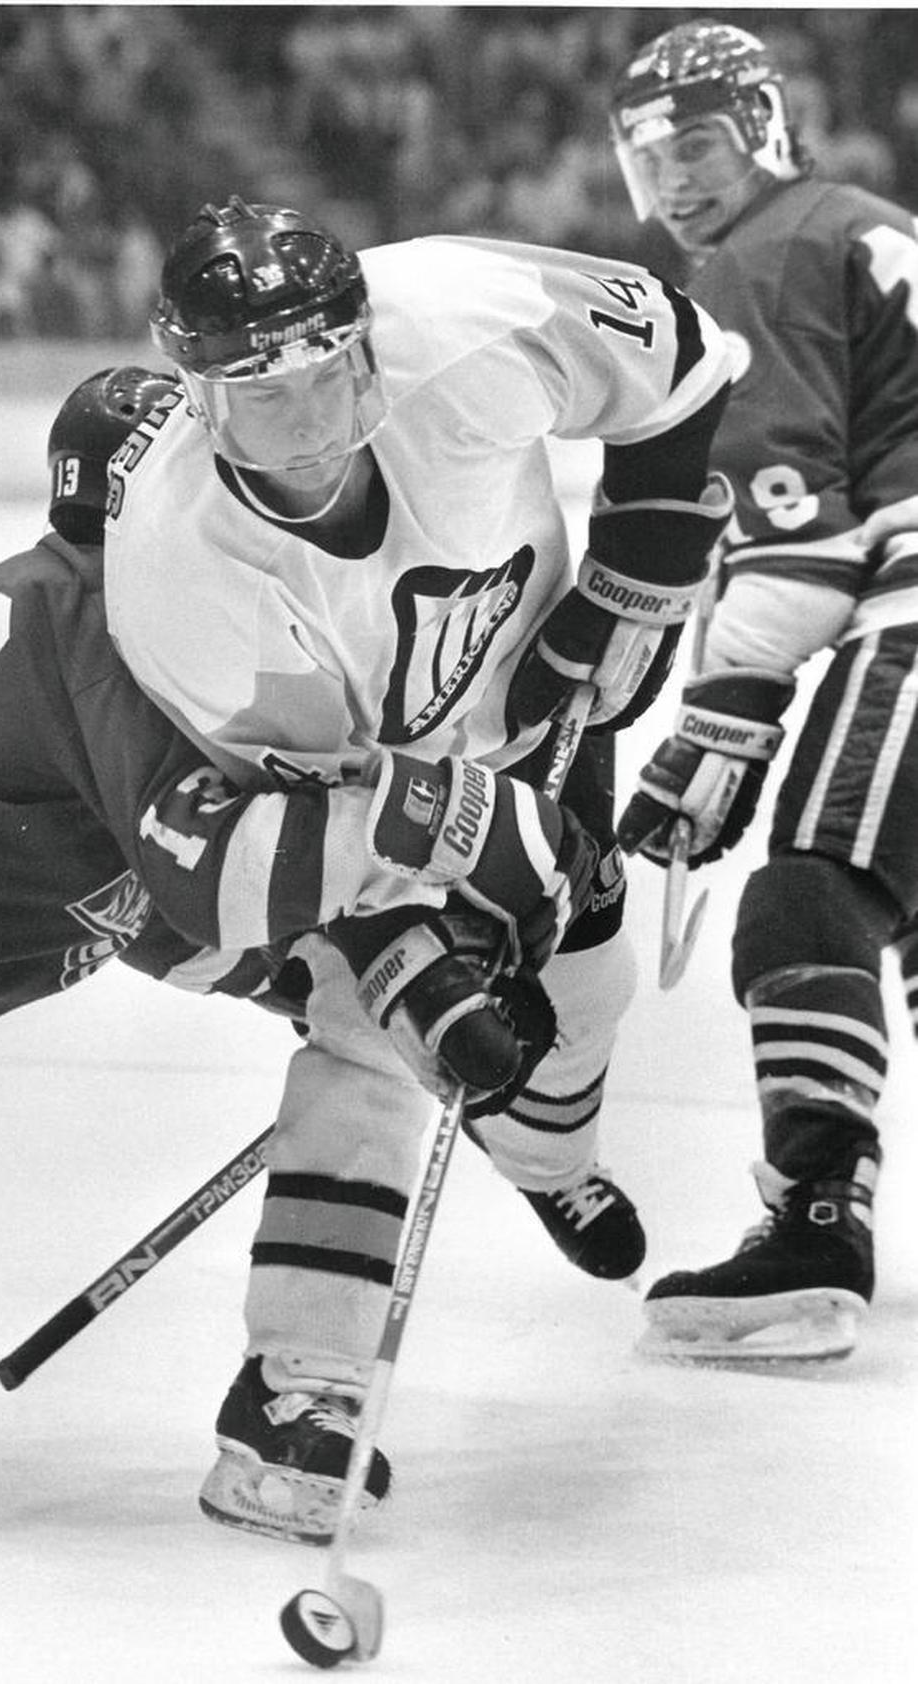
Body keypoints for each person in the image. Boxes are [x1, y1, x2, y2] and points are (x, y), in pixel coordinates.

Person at [0, 365, 587, 1469]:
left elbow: (168, 920)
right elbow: (218, 877)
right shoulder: (114, 629)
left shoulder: (98, 627)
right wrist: (461, 847)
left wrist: (381, 997)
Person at [102, 195, 734, 1535]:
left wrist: (635, 571)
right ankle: (296, 1393)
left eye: (333, 372)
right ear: (198, 395)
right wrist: (418, 968)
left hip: (541, 708)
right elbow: (322, 838)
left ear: (365, 335)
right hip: (371, 791)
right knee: (376, 1038)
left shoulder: (462, 315)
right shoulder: (180, 575)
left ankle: (549, 1159)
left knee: (593, 989)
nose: (319, 420)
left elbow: (676, 352)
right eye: (267, 398)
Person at [609, 19, 918, 1361]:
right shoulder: (859, 222)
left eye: (700, 146)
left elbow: (805, 548)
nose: (676, 182)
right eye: (649, 157)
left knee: (809, 890)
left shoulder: (763, 254)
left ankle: (814, 1223)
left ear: (763, 137)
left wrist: (718, 719)